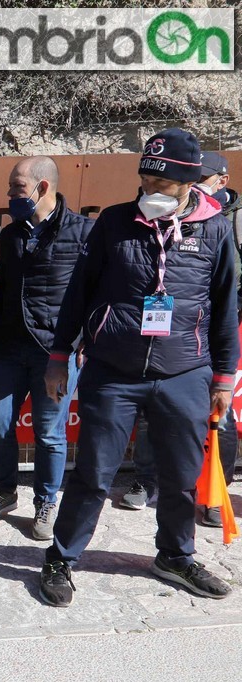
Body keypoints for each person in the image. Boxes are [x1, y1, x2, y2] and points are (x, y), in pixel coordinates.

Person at [39, 128, 237, 607]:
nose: (149, 188)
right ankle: (62, 558)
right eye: (145, 177)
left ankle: (175, 555)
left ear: (190, 182)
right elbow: (78, 294)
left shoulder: (215, 228)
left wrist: (225, 378)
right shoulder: (113, 222)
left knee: (180, 474)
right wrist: (60, 355)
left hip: (185, 372)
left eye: (161, 182)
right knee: (93, 473)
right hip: (114, 369)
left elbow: (226, 306)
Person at [0, 157, 92, 539]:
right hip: (9, 347)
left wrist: (82, 340)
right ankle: (6, 491)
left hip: (55, 352)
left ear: (42, 187)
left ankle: (46, 503)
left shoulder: (84, 231)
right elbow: (1, 283)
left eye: (17, 188)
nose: (9, 195)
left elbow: (96, 292)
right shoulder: (11, 234)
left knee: (49, 433)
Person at [127, 151, 241, 526]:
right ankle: (145, 481)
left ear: (220, 180)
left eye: (208, 178)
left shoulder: (229, 223)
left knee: (216, 419)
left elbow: (228, 286)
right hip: (161, 337)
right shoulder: (152, 214)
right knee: (150, 415)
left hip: (209, 340)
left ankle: (210, 491)